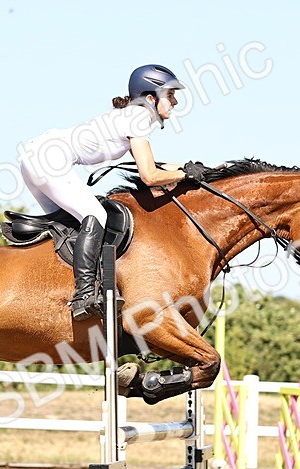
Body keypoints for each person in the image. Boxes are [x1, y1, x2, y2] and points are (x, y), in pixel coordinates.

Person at [17, 64, 206, 321]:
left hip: (36, 156)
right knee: (96, 215)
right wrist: (185, 175)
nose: (175, 101)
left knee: (69, 228)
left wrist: (192, 169)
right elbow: (150, 176)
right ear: (151, 98)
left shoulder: (132, 116)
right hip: (48, 159)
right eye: (170, 94)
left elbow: (151, 165)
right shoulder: (139, 118)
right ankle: (84, 294)